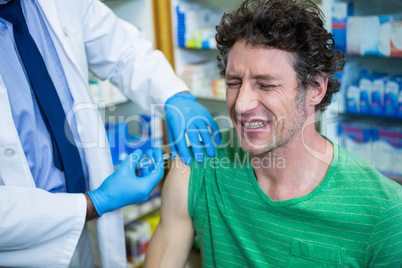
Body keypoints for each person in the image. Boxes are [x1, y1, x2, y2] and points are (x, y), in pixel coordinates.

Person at [144, 0, 402, 267]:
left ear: (315, 88)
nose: (241, 105)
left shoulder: (384, 213)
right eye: (234, 83)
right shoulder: (199, 167)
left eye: (265, 85)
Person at [0, 0, 221, 267]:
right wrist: (95, 203)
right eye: (233, 81)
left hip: (82, 229)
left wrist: (174, 95)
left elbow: (124, 50)